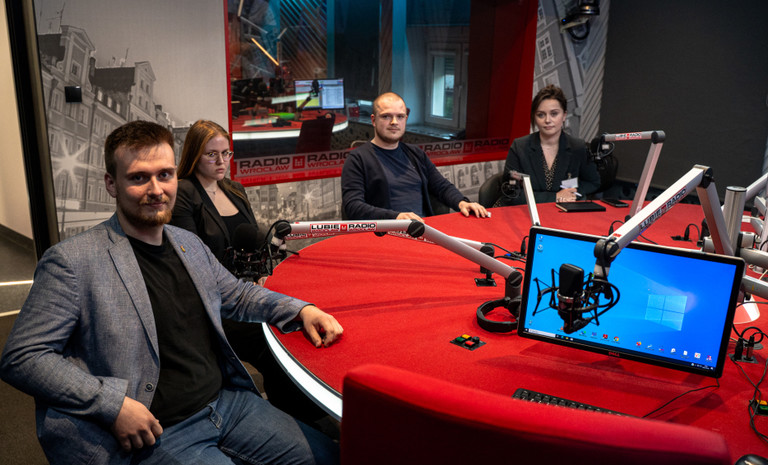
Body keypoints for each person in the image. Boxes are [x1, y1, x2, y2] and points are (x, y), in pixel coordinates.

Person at [0, 120, 342, 465]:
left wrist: (301, 310)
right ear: (111, 184)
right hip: (161, 430)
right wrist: (112, 405)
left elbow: (237, 295)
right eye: (138, 177)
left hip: (227, 403)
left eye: (165, 175)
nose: (156, 189)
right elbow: (23, 356)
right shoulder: (72, 261)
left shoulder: (187, 243)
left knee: (331, 456)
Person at [171, 119, 329, 430]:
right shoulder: (184, 193)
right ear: (194, 155)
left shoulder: (235, 189)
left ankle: (312, 416)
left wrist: (262, 277)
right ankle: (297, 425)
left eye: (226, 153)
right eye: (212, 155)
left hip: (249, 291)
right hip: (214, 302)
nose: (221, 162)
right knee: (271, 340)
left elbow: (254, 243)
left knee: (297, 319)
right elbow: (191, 262)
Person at [341, 92, 489, 221]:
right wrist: (395, 218)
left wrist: (462, 202)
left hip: (423, 231)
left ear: (406, 119)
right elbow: (353, 206)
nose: (394, 122)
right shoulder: (358, 159)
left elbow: (441, 186)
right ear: (373, 120)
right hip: (384, 235)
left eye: (400, 117)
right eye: (386, 116)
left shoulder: (416, 154)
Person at [502, 84, 600, 205]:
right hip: (528, 212)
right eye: (541, 115)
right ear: (534, 117)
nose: (547, 120)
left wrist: (572, 193)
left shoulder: (578, 147)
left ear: (564, 115)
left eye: (554, 114)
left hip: (565, 211)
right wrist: (555, 197)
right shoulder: (519, 147)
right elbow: (510, 193)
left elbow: (593, 182)